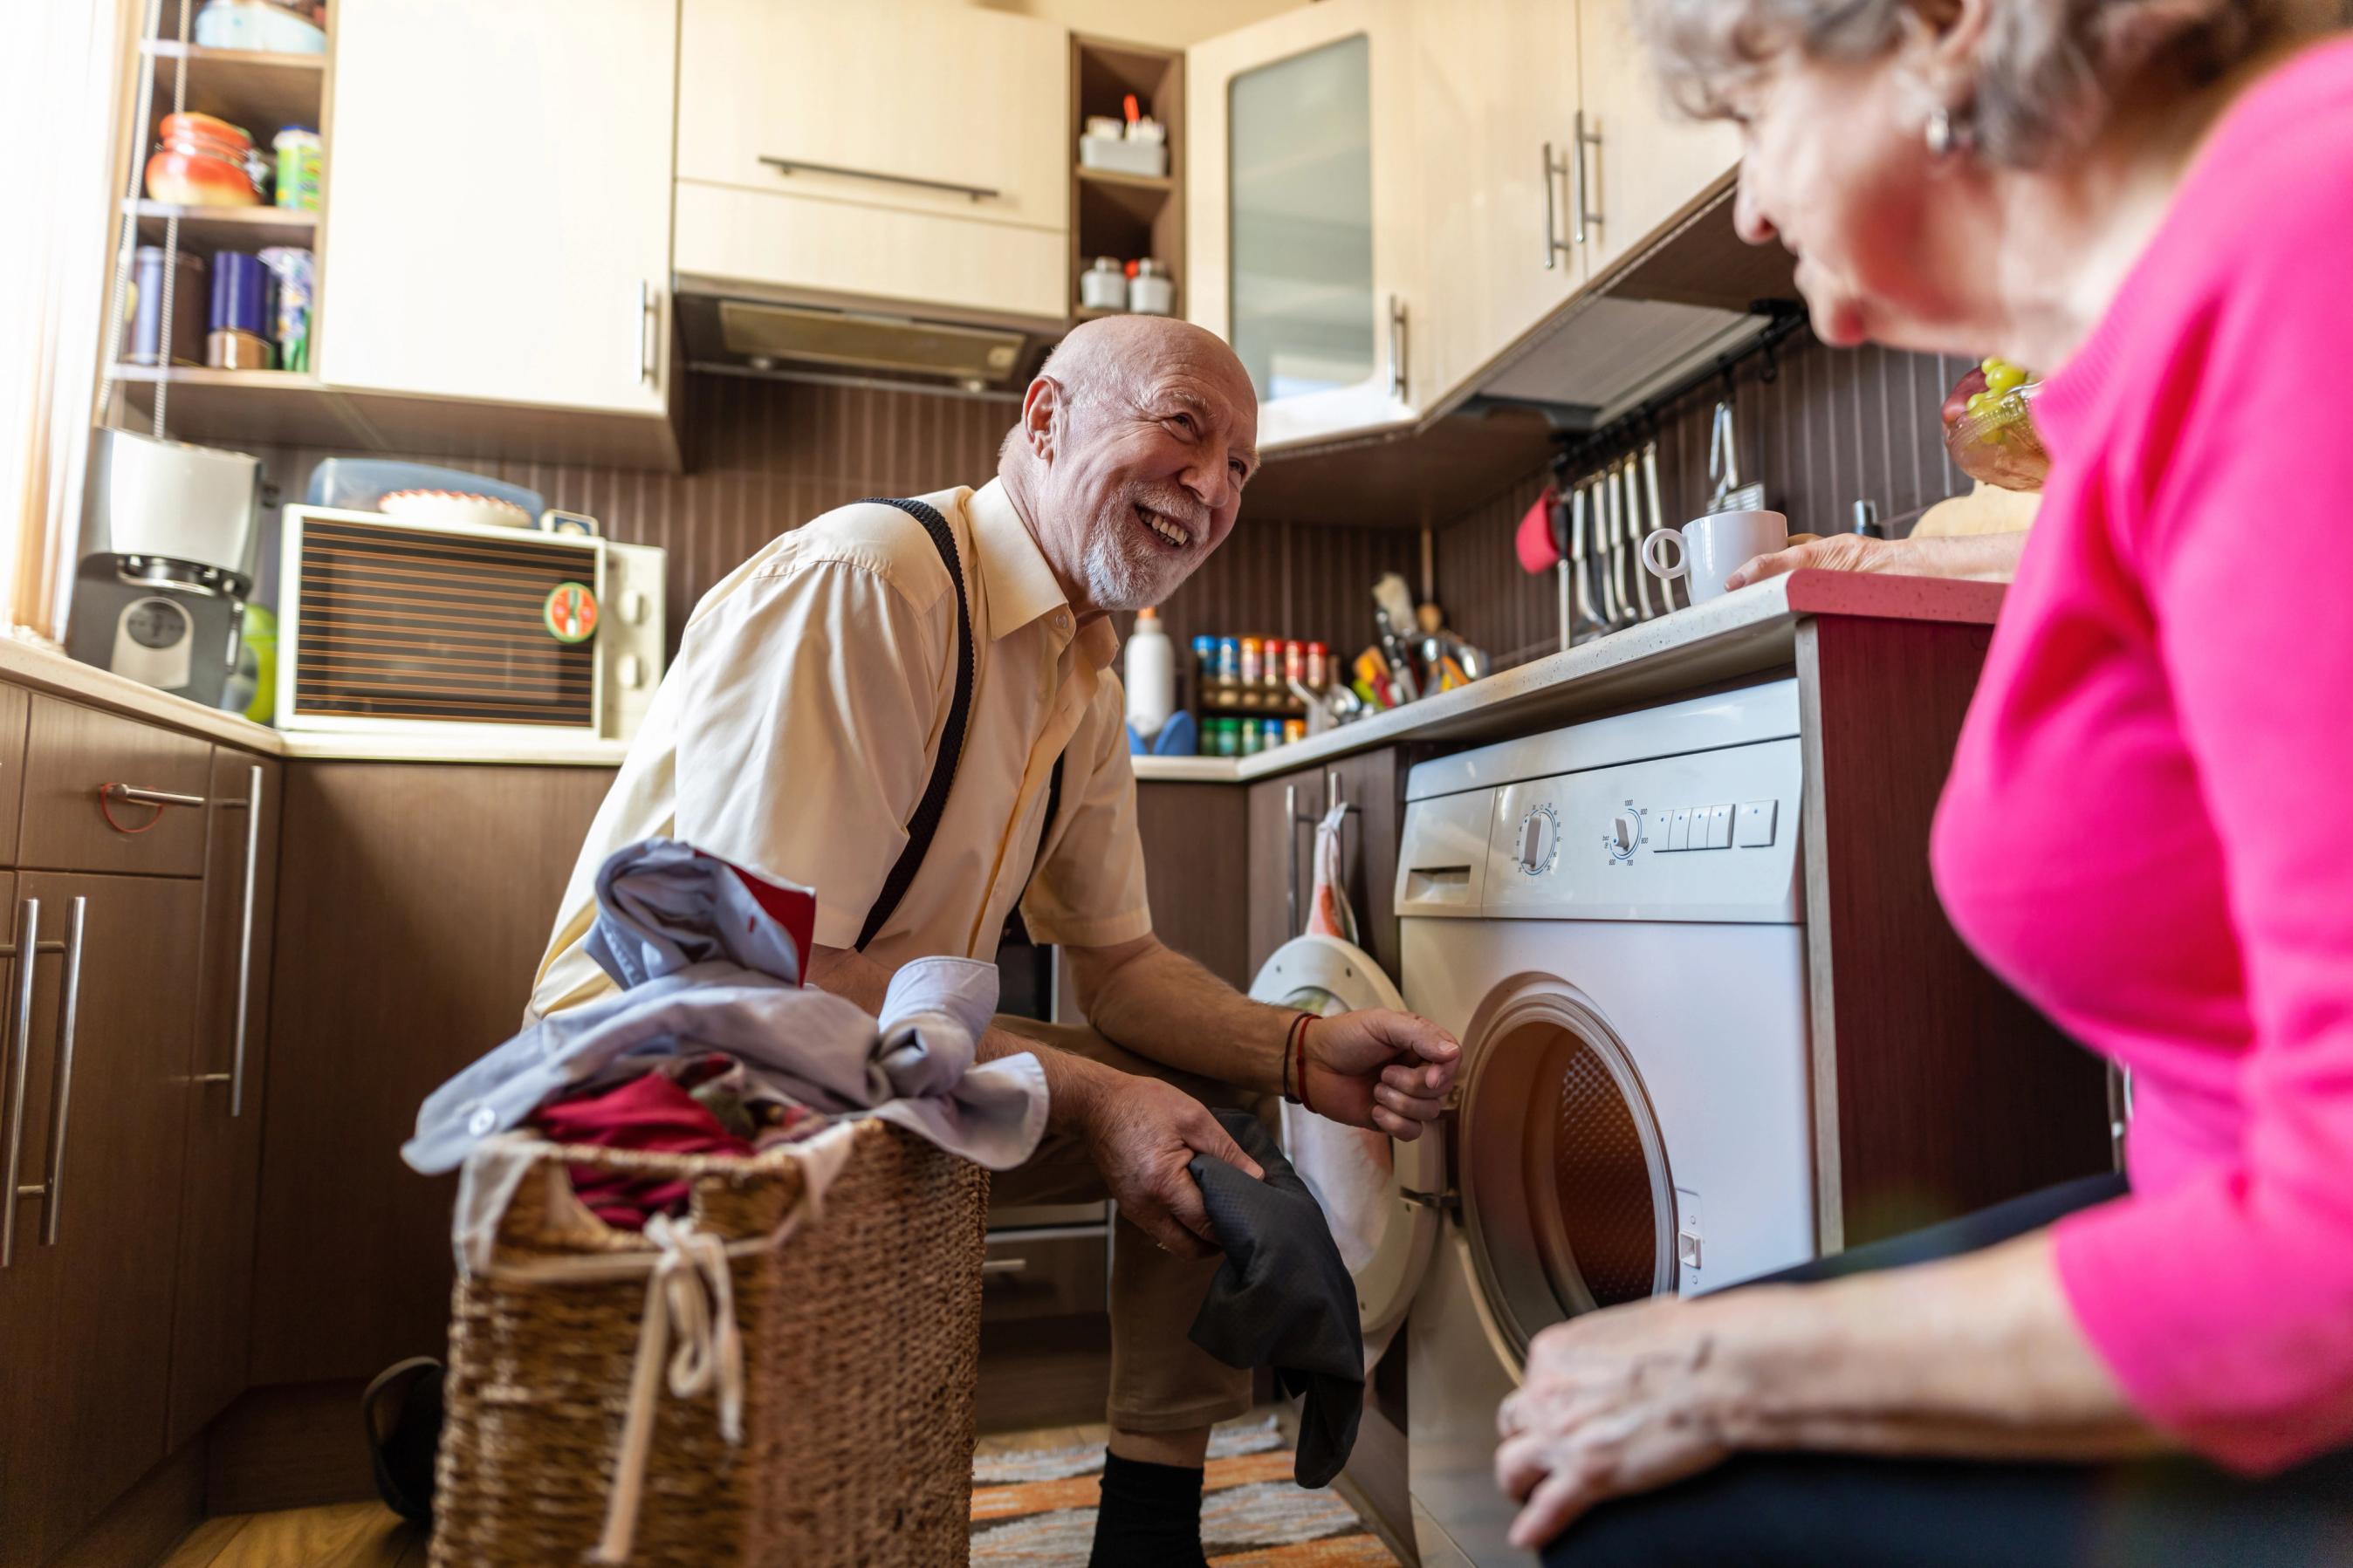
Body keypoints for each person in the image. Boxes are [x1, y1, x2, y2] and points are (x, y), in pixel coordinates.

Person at [1492, 3, 2353, 1564]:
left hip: (2312, 1318)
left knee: (1640, 1500)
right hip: (2209, 1214)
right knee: (1595, 1440)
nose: (1748, 205)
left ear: (1948, 27)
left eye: (1750, 109)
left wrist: (1726, 1365)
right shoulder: (2135, 365)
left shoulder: (2307, 243)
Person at [531, 315, 1461, 1568]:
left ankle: (1145, 1534)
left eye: (1243, 465)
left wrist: (1302, 1050)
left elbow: (1122, 968)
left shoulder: (1083, 671)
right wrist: (1090, 1092)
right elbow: (754, 970)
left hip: (867, 1042)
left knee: (1204, 1099)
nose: (1215, 486)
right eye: (1186, 426)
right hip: (662, 1058)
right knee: (1131, 1098)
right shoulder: (877, 583)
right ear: (1046, 417)